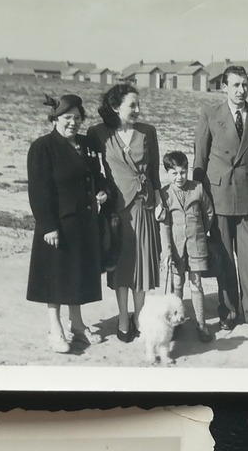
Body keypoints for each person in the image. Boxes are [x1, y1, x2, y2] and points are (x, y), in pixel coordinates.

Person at [25, 94, 110, 352]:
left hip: (84, 222)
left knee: (78, 274)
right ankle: (55, 329)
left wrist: (103, 190)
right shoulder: (43, 147)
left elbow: (98, 174)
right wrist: (47, 226)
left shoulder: (85, 145)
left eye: (77, 117)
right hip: (58, 224)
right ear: (55, 119)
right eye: (67, 118)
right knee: (57, 276)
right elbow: (39, 191)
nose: (73, 123)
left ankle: (78, 325)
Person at [193, 65, 248, 332]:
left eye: (245, 84)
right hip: (219, 195)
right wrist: (198, 197)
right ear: (223, 87)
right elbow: (200, 158)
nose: (241, 90)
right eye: (235, 85)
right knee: (224, 257)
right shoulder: (210, 114)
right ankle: (228, 311)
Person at [86, 84, 162, 342]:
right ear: (116, 107)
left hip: (144, 206)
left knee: (142, 265)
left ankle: (139, 314)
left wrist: (159, 200)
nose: (138, 110)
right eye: (132, 105)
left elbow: (154, 172)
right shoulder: (98, 133)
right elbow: (92, 170)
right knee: (121, 267)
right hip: (118, 209)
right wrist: (99, 192)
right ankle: (122, 316)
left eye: (139, 105)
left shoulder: (148, 132)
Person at [158, 151, 214, 341]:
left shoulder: (197, 188)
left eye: (183, 172)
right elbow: (164, 226)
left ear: (187, 171)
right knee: (177, 284)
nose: (179, 177)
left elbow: (208, 213)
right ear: (166, 173)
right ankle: (177, 323)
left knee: (196, 284)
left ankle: (201, 323)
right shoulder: (165, 194)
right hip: (175, 248)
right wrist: (166, 252)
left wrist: (200, 233)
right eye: (174, 173)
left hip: (196, 246)